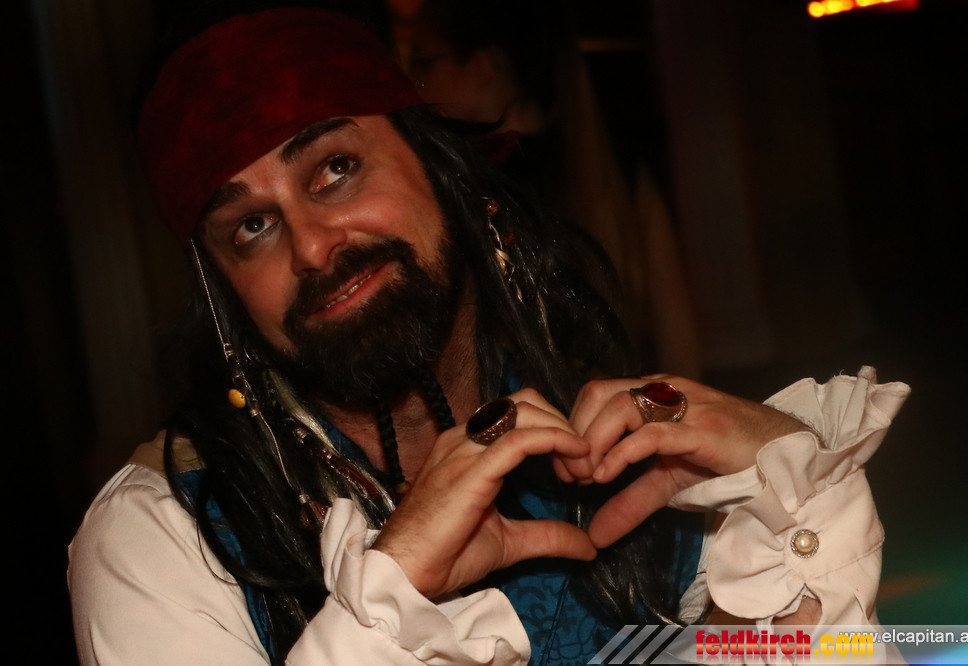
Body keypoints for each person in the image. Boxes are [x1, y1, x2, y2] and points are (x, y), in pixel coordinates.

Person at [67, 3, 910, 665]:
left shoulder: (621, 457)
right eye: (250, 227)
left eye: (334, 169)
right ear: (227, 299)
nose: (312, 248)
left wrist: (793, 503)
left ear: (447, 176)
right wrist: (391, 601)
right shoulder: (161, 543)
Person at [401, 0, 701, 377]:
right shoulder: (611, 166)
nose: (410, 80)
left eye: (424, 61)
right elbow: (681, 344)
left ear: (484, 67)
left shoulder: (470, 187)